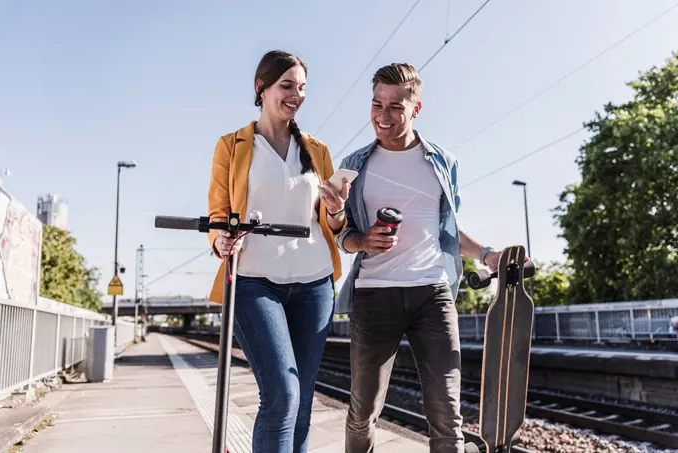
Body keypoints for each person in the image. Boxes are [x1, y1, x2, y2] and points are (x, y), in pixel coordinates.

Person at [335, 62, 518, 453]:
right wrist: (362, 242)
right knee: (363, 409)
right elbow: (341, 237)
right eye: (376, 105)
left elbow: (447, 231)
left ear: (416, 108)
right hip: (374, 294)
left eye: (394, 107)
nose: (382, 116)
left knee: (446, 413)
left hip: (431, 294)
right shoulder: (354, 165)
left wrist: (488, 254)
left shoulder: (441, 162)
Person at [206, 49, 349, 453]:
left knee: (302, 403)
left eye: (302, 88)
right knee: (283, 396)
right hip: (253, 281)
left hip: (315, 284)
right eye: (287, 86)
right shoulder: (232, 145)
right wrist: (220, 240)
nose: (296, 95)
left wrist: (338, 209)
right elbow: (217, 215)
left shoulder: (316, 149)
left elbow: (332, 225)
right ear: (261, 88)